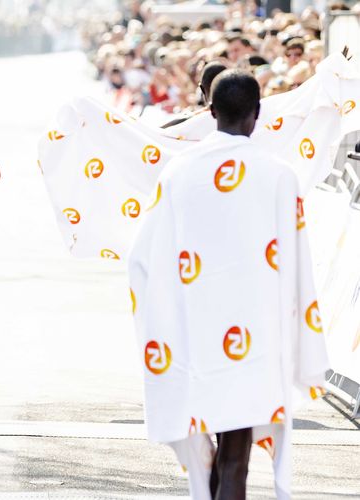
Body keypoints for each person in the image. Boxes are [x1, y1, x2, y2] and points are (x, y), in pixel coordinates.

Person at [128, 69, 329, 499]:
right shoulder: (279, 175)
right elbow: (298, 262)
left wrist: (161, 318)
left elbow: (144, 257)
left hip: (195, 335)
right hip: (255, 336)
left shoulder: (178, 172)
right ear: (257, 116)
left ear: (210, 110)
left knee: (216, 456)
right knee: (234, 459)